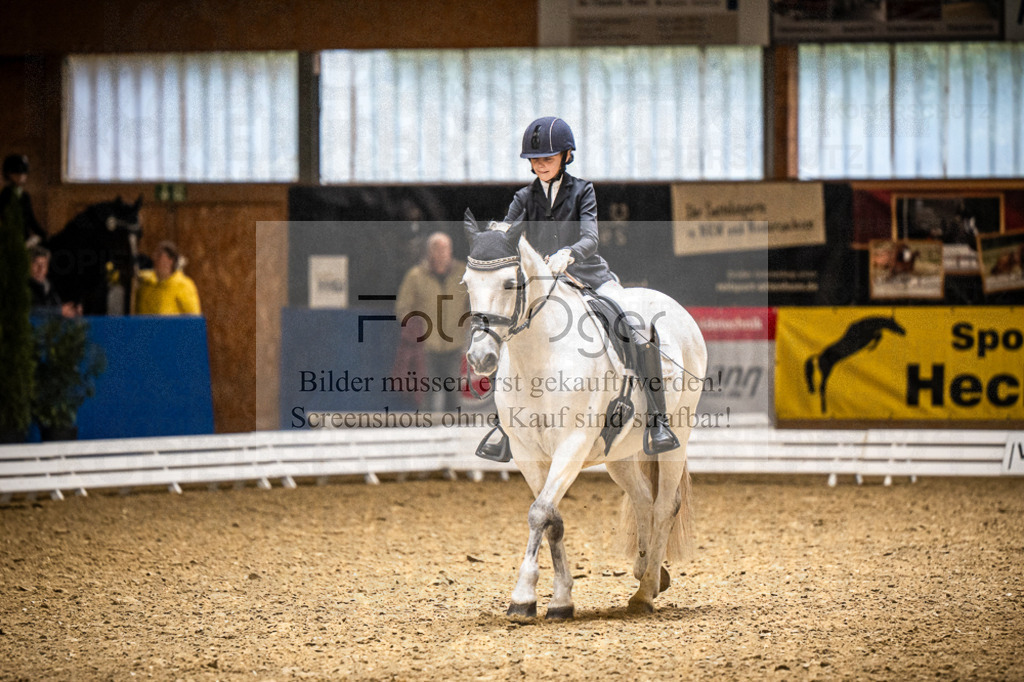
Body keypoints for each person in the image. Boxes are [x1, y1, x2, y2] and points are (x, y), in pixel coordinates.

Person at [482, 116, 678, 456]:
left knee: (635, 325)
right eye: (536, 159)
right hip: (543, 286)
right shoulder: (523, 197)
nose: (541, 164)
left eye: (548, 158)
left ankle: (658, 420)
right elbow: (507, 234)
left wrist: (568, 254)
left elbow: (591, 237)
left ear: (566, 156)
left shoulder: (582, 190)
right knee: (508, 330)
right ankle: (504, 424)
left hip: (588, 276)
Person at [394, 232, 468, 412]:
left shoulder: (464, 273)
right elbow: (402, 307)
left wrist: (467, 323)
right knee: (427, 395)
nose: (441, 253)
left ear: (451, 251)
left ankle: (453, 436)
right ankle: (427, 436)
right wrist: (415, 326)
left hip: (455, 345)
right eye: (437, 249)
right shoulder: (415, 276)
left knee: (454, 396)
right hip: (426, 346)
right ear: (429, 252)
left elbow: (475, 302)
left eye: (445, 249)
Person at [134, 241, 201, 315]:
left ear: (170, 260)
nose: (154, 258)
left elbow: (193, 318)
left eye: (159, 255)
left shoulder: (183, 286)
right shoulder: (146, 282)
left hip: (171, 326)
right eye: (154, 254)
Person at [0, 154, 47, 247]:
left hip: (24, 241)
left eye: (23, 173)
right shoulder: (4, 196)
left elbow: (31, 220)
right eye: (16, 172)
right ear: (9, 174)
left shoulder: (25, 196)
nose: (21, 176)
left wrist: (44, 235)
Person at [27, 245, 79, 318]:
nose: (41, 269)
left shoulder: (48, 286)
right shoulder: (21, 286)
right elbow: (28, 310)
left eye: (44, 265)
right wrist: (58, 311)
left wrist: (70, 311)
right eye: (36, 264)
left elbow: (57, 307)